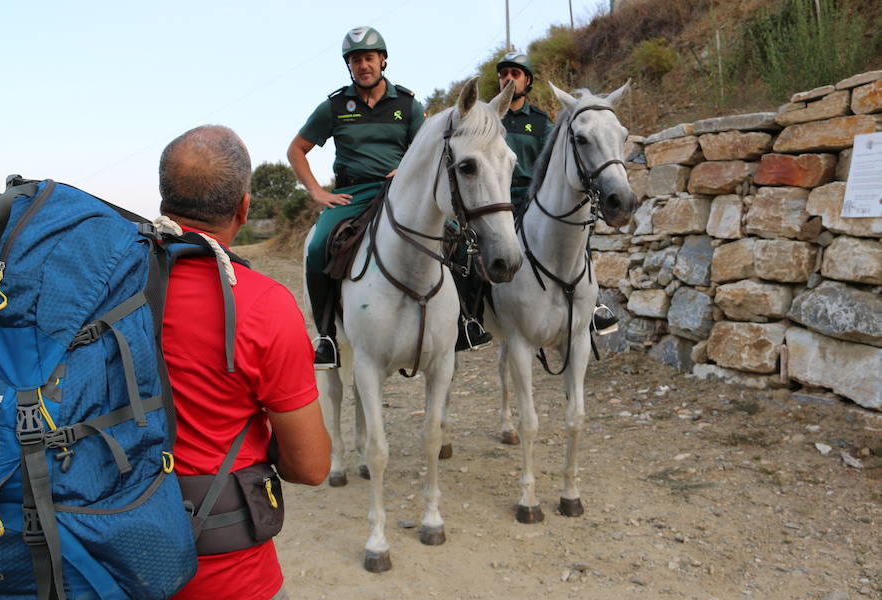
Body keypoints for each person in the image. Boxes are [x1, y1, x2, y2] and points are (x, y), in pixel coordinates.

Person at [159, 124, 331, 600]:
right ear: (243, 207)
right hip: (227, 574)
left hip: (106, 559)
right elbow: (311, 466)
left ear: (163, 202)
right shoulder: (263, 304)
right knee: (324, 245)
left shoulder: (106, 284)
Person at [454, 52, 619, 340]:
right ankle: (471, 317)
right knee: (467, 243)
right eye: (504, 73)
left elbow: (553, 164)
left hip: (533, 196)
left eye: (515, 74)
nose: (508, 78)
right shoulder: (488, 120)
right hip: (495, 195)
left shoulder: (541, 122)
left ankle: (592, 305)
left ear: (527, 81)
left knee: (577, 232)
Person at [287, 26, 425, 369]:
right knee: (318, 248)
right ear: (349, 65)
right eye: (355, 60)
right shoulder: (334, 106)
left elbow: (425, 150)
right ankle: (326, 338)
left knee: (452, 231)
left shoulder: (408, 104)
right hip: (351, 193)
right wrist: (317, 192)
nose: (363, 65)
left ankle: (465, 322)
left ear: (383, 60)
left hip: (399, 191)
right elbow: (296, 150)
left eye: (369, 58)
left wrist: (406, 169)